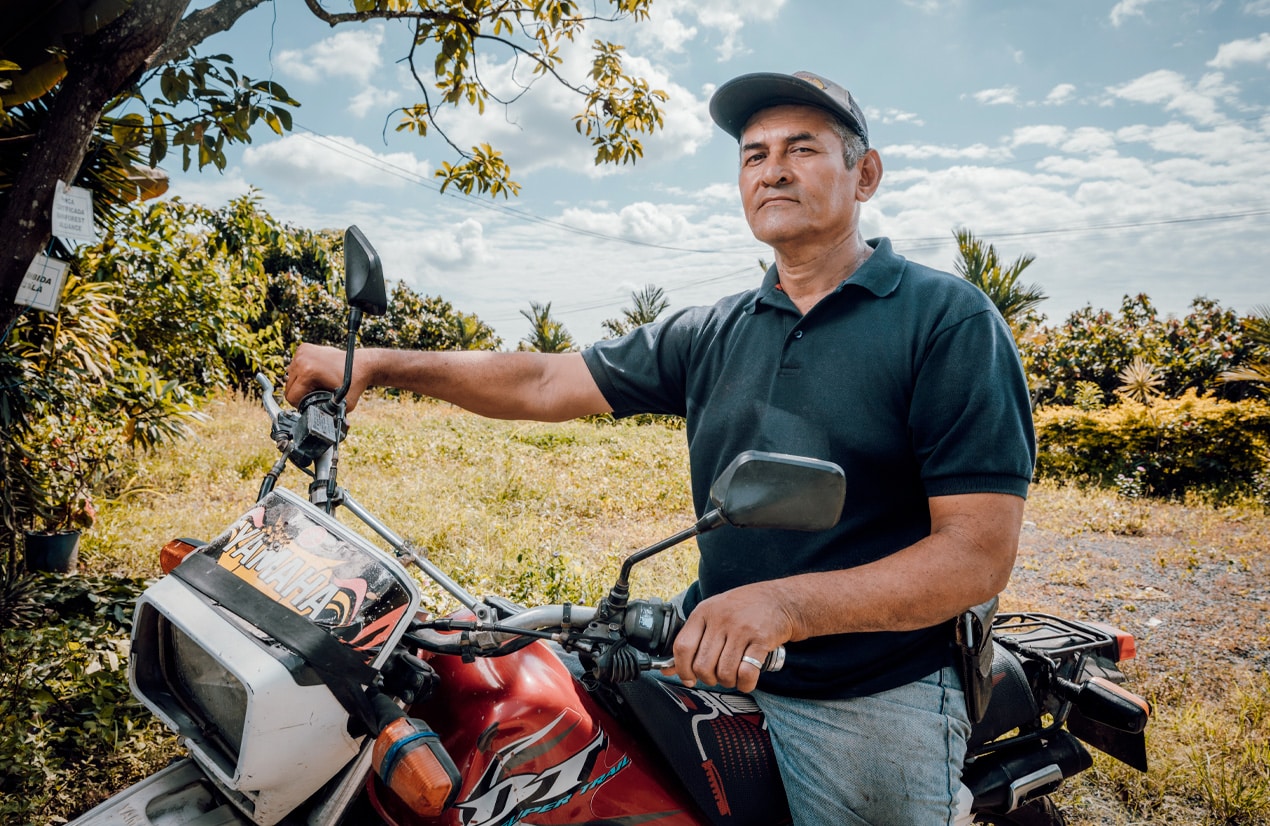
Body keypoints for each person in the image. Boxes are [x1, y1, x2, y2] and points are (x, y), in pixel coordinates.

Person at [286, 70, 1036, 825]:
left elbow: (976, 554)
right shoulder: (713, 331)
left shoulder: (946, 321)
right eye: (753, 155)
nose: (772, 168)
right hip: (702, 646)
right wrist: (379, 365)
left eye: (801, 148)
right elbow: (547, 381)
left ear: (863, 173)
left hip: (868, 689)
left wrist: (786, 605)